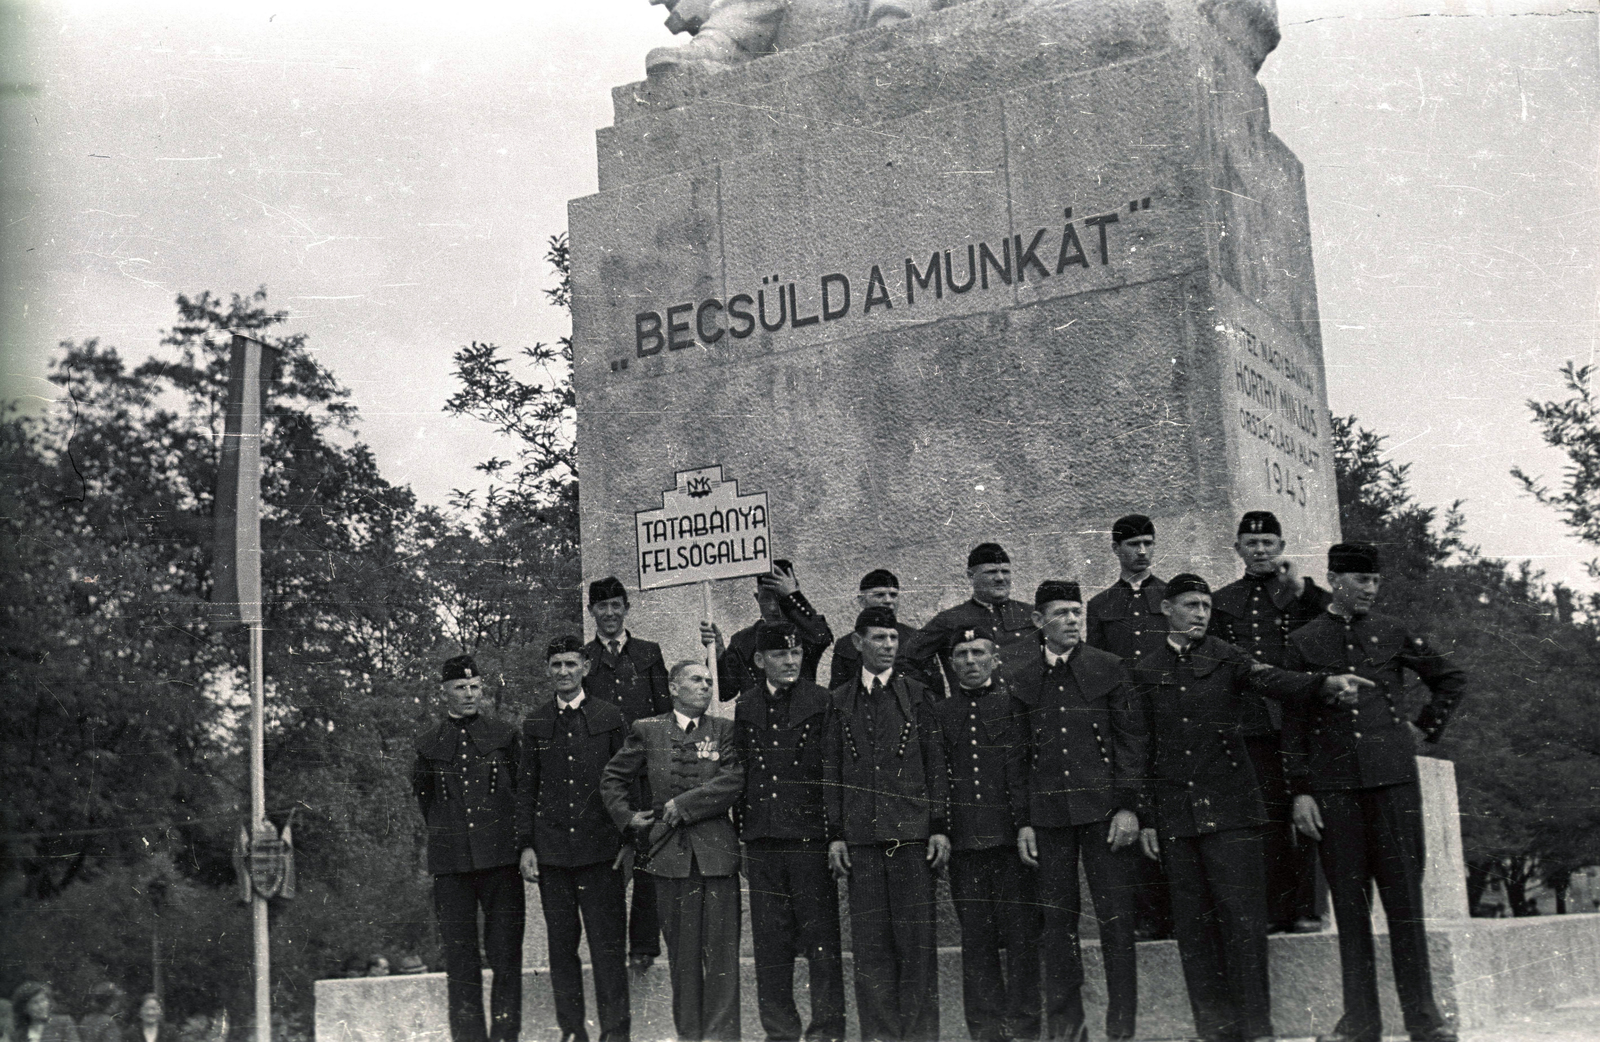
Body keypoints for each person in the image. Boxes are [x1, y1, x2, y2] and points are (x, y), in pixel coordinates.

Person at [1132, 574, 1372, 1042]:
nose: (1201, 613)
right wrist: (1144, 815)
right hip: (1177, 818)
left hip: (1233, 812)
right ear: (1166, 609)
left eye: (1205, 605)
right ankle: (1215, 1032)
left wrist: (1323, 683)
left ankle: (1256, 1031)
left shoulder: (1226, 656)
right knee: (1194, 934)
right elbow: (1141, 747)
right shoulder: (1144, 669)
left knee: (1243, 925)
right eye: (1190, 605)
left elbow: (1272, 679)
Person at [1284, 543, 1467, 1042]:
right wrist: (1300, 792)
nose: (1370, 589)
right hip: (1335, 791)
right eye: (1361, 580)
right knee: (1349, 906)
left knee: (1405, 901)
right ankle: (1360, 1023)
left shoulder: (1391, 632)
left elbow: (1450, 679)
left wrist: (1420, 729)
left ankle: (1425, 1022)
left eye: (1375, 581)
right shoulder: (1303, 641)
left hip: (1393, 787)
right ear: (1335, 579)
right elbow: (1293, 724)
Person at [1006, 580, 1145, 1042]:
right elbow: (1017, 757)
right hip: (1048, 821)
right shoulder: (1023, 678)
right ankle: (1068, 1030)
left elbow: (1131, 741)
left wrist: (1128, 807)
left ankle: (1121, 1029)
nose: (1071, 620)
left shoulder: (1109, 668)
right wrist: (1024, 820)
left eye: (1077, 612)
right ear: (1037, 621)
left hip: (1105, 816)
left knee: (1116, 922)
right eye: (1061, 612)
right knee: (1056, 926)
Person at [823, 606, 950, 1042]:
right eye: (879, 638)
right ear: (858, 643)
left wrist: (938, 824)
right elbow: (832, 769)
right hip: (861, 840)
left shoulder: (917, 694)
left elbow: (936, 763)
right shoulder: (839, 701)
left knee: (917, 948)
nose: (888, 646)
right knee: (871, 948)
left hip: (911, 839)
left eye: (893, 639)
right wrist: (836, 834)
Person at [603, 661, 745, 1042]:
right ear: (673, 687)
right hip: (669, 859)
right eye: (697, 680)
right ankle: (691, 1036)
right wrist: (627, 817)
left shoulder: (724, 730)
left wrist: (687, 804)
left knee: (721, 959)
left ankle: (722, 1038)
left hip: (717, 858)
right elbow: (613, 777)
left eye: (710, 681)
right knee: (682, 959)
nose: (706, 686)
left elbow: (735, 779)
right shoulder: (647, 730)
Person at [1207, 510, 1330, 934]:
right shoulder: (1222, 601)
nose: (1260, 551)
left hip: (1300, 715)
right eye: (1251, 544)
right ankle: (1276, 907)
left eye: (1268, 544)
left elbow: (1334, 618)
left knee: (1308, 810)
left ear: (1280, 547)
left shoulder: (1301, 595)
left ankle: (1308, 908)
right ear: (1238, 548)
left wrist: (1302, 588)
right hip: (1253, 721)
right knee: (1267, 816)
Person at [925, 624, 1039, 1042]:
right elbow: (937, 773)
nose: (970, 662)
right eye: (961, 655)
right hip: (966, 845)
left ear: (995, 659)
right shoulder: (940, 712)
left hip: (1012, 842)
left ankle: (1026, 1027)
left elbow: (1023, 769)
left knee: (1023, 937)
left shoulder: (1015, 705)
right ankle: (986, 1030)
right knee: (977, 941)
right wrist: (940, 828)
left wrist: (1026, 822)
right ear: (951, 663)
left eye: (977, 653)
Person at [734, 621, 846, 1042]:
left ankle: (827, 1031)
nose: (791, 661)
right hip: (762, 840)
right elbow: (741, 772)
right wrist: (742, 834)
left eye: (796, 653)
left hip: (808, 839)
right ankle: (780, 1031)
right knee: (771, 945)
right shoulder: (746, 705)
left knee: (821, 942)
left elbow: (832, 769)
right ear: (762, 660)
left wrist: (834, 832)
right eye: (781, 654)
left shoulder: (821, 701)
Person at [519, 634, 632, 1042]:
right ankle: (572, 1031)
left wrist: (628, 840)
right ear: (548, 670)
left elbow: (627, 784)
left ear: (585, 667)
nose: (564, 672)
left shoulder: (610, 717)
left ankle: (616, 1034)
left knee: (607, 950)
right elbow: (526, 789)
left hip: (602, 855)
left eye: (571, 664)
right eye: (556, 665)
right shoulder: (534, 723)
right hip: (553, 856)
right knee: (561, 950)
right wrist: (527, 846)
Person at [412, 654, 524, 1042]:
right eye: (460, 687)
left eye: (475, 686)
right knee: (460, 961)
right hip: (452, 864)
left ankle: (506, 1036)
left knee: (506, 956)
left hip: (501, 860)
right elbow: (427, 801)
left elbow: (520, 793)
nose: (469, 694)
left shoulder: (506, 736)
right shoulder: (428, 744)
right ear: (444, 692)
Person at [1085, 513, 1170, 941]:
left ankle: (1175, 911)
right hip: (1123, 720)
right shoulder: (1100, 606)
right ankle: (1144, 915)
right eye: (1133, 544)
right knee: (1131, 807)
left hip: (1169, 715)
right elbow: (1097, 669)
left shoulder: (1172, 597)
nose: (1142, 552)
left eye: (1148, 543)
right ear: (1116, 550)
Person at [581, 575, 672, 972]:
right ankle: (610, 946)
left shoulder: (649, 653)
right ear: (592, 612)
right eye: (602, 606)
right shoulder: (584, 659)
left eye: (617, 605)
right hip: (607, 776)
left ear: (627, 609)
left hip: (647, 773)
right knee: (609, 863)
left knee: (650, 856)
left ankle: (644, 946)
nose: (610, 613)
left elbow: (667, 714)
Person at [906, 542, 1037, 695]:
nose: (1000, 578)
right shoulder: (949, 619)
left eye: (1005, 571)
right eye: (991, 572)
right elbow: (907, 658)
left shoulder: (1032, 614)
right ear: (970, 575)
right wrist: (935, 696)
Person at [704, 560, 834, 700]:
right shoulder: (743, 641)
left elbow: (822, 637)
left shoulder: (804, 634)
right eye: (766, 598)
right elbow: (724, 693)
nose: (772, 607)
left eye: (779, 598)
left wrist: (793, 595)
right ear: (757, 598)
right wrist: (718, 657)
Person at [827, 569, 923, 690]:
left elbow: (933, 693)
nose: (888, 601)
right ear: (862, 601)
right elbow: (837, 694)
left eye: (893, 595)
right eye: (879, 595)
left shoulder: (915, 639)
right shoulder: (846, 644)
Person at [10, 983, 79, 1042]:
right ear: (24, 1008)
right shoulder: (19, 1033)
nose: (41, 1006)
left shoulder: (63, 1023)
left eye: (43, 1000)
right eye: (35, 1002)